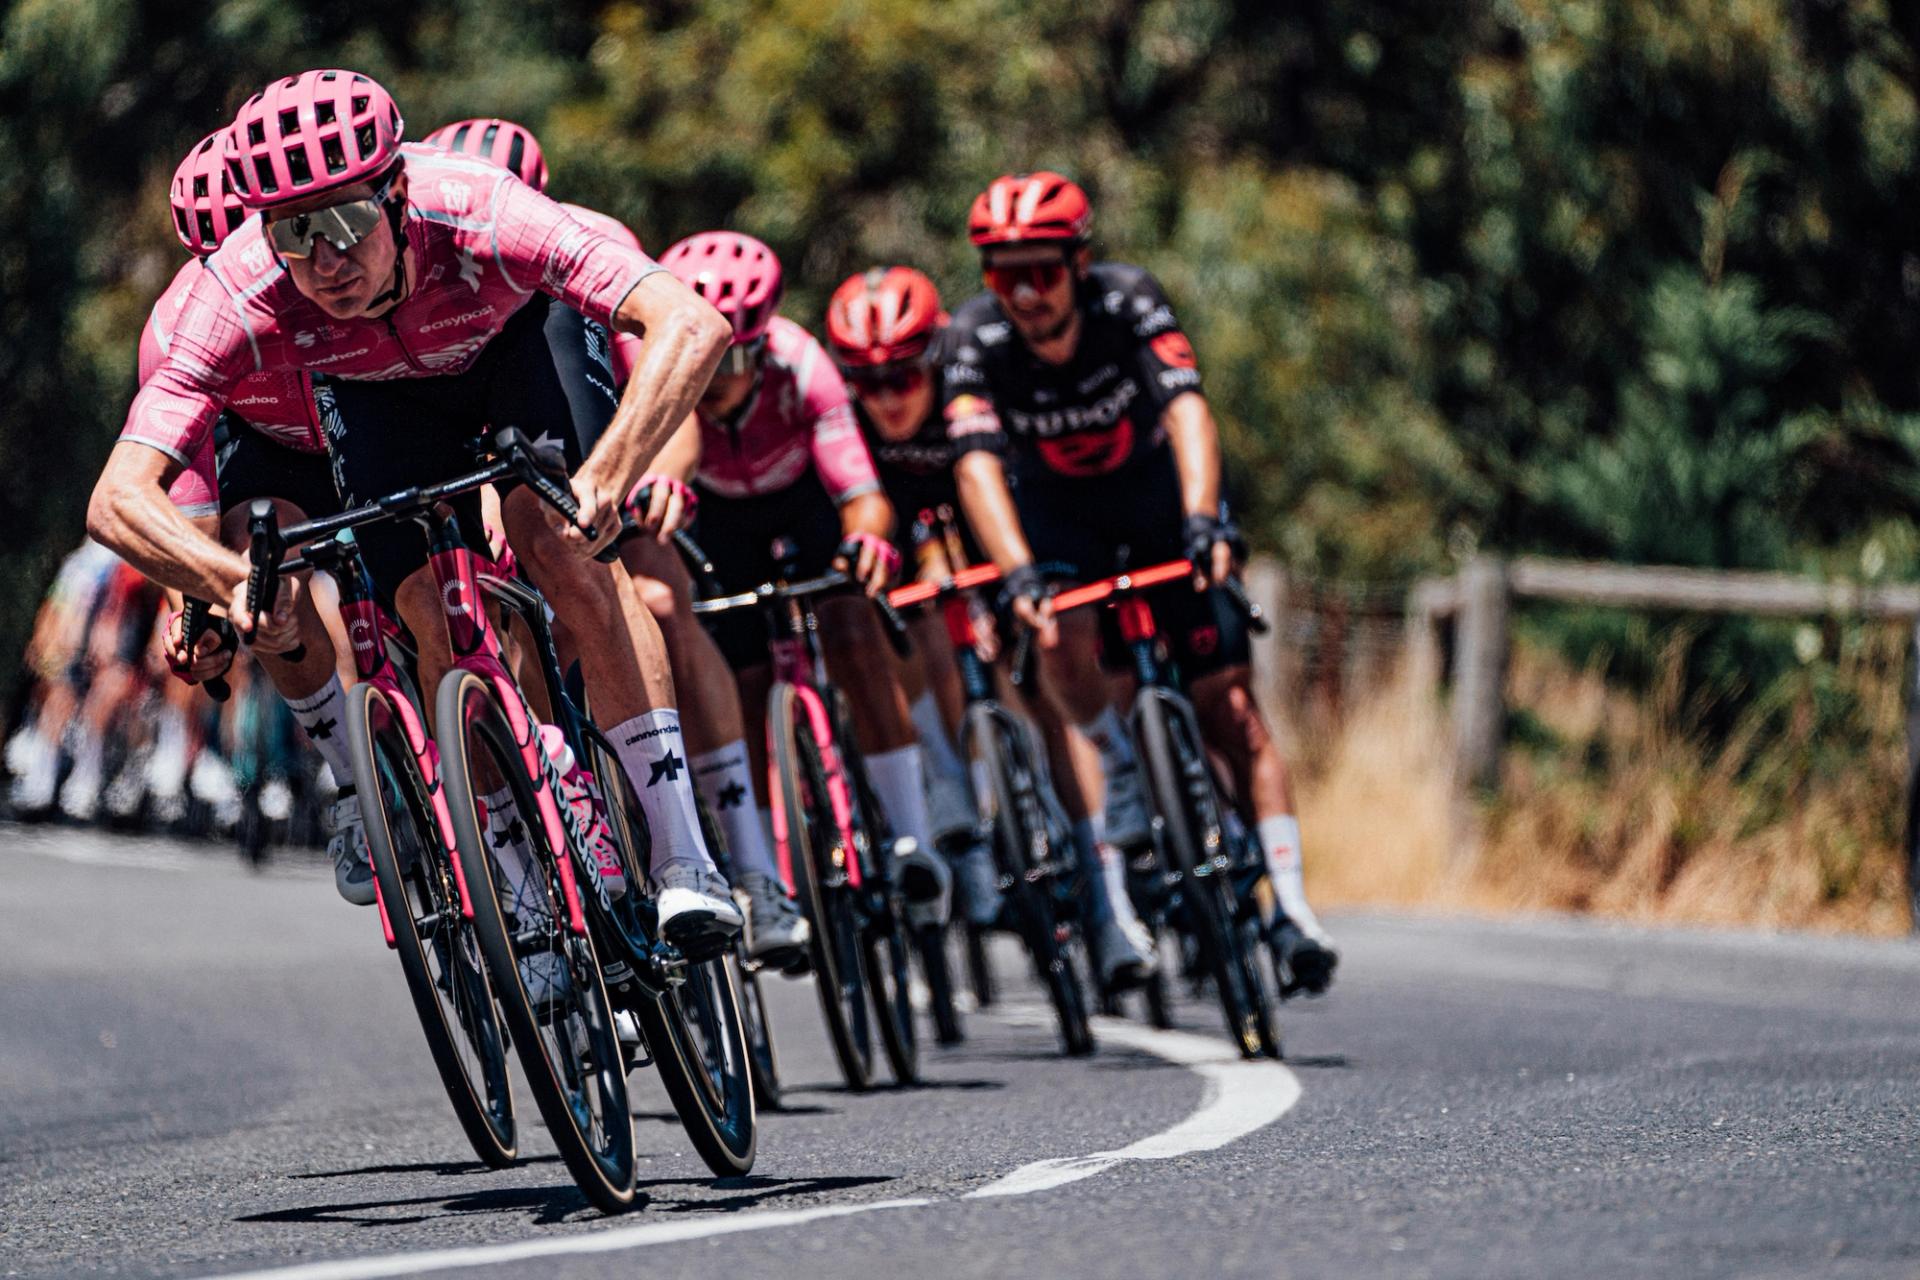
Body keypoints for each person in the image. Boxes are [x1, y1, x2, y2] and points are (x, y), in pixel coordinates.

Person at [87, 69, 741, 957]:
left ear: (398, 192)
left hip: (511, 342)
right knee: (427, 608)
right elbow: (118, 498)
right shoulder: (230, 291)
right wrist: (224, 585)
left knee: (564, 544)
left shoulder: (475, 203)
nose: (328, 259)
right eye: (295, 233)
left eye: (350, 221)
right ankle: (527, 903)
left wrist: (611, 474)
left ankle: (684, 861)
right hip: (377, 393)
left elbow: (691, 325)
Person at [424, 116, 809, 965]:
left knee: (663, 597)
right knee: (500, 618)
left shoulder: (576, 249)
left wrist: (659, 478)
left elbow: (668, 393)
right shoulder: (420, 280)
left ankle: (741, 859)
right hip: (487, 461)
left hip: (597, 460)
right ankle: (565, 846)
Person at [945, 171, 1338, 994]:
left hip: (1162, 507)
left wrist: (1203, 519)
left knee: (1233, 713)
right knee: (1055, 636)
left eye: (1043, 270)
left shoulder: (1129, 303)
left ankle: (1294, 907)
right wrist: (1015, 572)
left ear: (1079, 265)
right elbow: (977, 466)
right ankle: (1121, 765)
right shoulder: (975, 342)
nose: (1025, 293)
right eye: (1003, 274)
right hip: (1059, 522)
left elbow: (1188, 408)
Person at [651, 231, 951, 928]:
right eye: (707, 356)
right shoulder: (662, 369)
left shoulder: (800, 362)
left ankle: (912, 835)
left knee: (851, 626)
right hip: (717, 516)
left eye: (736, 356)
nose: (719, 376)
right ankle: (765, 873)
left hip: (805, 498)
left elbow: (860, 488)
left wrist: (869, 537)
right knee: (743, 679)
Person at [142, 129, 372, 897]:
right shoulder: (177, 327)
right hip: (276, 450)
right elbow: (191, 498)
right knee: (263, 573)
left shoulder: (341, 268)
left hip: (374, 418)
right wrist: (197, 612)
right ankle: (352, 785)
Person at [823, 266, 1003, 927]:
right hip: (893, 503)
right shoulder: (850, 413)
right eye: (869, 383)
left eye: (903, 377)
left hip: (969, 480)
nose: (888, 398)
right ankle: (947, 776)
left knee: (1018, 618)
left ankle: (1027, 780)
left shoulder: (968, 372)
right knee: (902, 608)